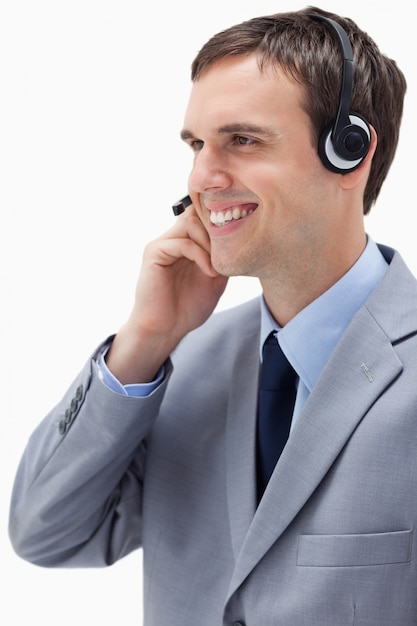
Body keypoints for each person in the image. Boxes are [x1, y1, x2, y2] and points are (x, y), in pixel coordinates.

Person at [8, 5, 415, 625]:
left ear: (350, 152)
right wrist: (144, 340)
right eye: (197, 144)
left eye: (242, 140)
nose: (202, 178)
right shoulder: (180, 365)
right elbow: (46, 534)